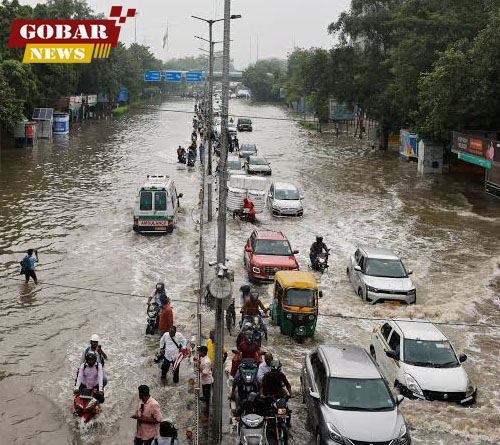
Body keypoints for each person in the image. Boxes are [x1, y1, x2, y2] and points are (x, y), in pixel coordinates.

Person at [196, 346, 213, 414]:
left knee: (207, 396)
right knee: (205, 393)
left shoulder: (207, 361)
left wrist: (199, 367)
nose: (198, 353)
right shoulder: (204, 358)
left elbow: (205, 372)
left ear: (202, 352)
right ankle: (204, 399)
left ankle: (207, 409)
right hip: (204, 381)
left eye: (199, 352)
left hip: (207, 381)